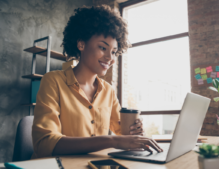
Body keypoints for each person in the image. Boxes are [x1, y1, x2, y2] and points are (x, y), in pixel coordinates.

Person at [31, 5, 163, 159]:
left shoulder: (108, 91)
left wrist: (135, 132)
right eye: (103, 47)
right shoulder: (53, 81)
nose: (110, 58)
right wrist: (111, 140)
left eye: (114, 52)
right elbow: (45, 143)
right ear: (81, 44)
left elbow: (123, 135)